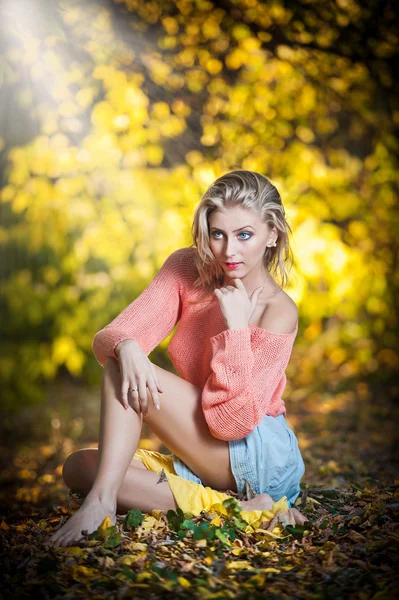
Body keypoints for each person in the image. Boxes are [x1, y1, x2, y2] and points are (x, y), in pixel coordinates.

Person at [47, 170, 306, 548]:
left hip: (257, 452)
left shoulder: (278, 311)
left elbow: (233, 423)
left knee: (120, 376)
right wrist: (128, 345)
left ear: (272, 235)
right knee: (80, 466)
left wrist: (235, 330)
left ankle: (101, 504)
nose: (228, 251)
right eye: (218, 234)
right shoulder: (188, 268)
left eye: (244, 235)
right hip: (206, 444)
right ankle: (234, 509)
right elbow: (111, 338)